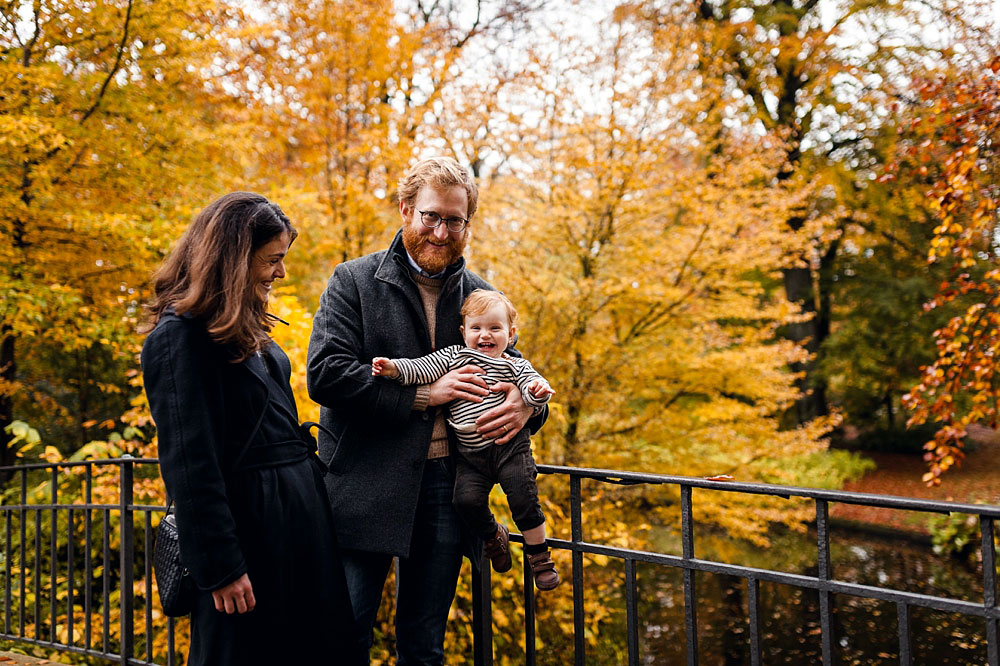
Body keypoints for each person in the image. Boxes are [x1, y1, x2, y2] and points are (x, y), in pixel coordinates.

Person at [307, 157, 548, 664]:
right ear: (405, 210)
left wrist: (526, 407)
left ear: (467, 224)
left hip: (446, 486)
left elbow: (521, 377)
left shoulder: (482, 297)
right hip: (362, 483)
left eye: (454, 220)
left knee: (424, 646)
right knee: (343, 636)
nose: (441, 232)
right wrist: (422, 394)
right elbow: (326, 375)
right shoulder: (353, 280)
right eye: (430, 216)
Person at [141, 192, 360, 665]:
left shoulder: (246, 328)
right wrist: (220, 566)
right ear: (235, 259)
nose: (280, 273)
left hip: (299, 527)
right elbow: (189, 464)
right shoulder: (178, 339)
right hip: (250, 534)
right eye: (273, 260)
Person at [372, 289, 561, 590]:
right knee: (465, 501)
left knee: (523, 497)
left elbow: (532, 386)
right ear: (464, 332)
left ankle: (539, 558)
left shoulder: (513, 364)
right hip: (470, 456)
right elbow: (420, 368)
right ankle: (492, 536)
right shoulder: (453, 358)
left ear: (511, 335)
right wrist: (394, 369)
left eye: (495, 328)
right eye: (477, 328)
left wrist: (536, 394)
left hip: (509, 448)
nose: (485, 335)